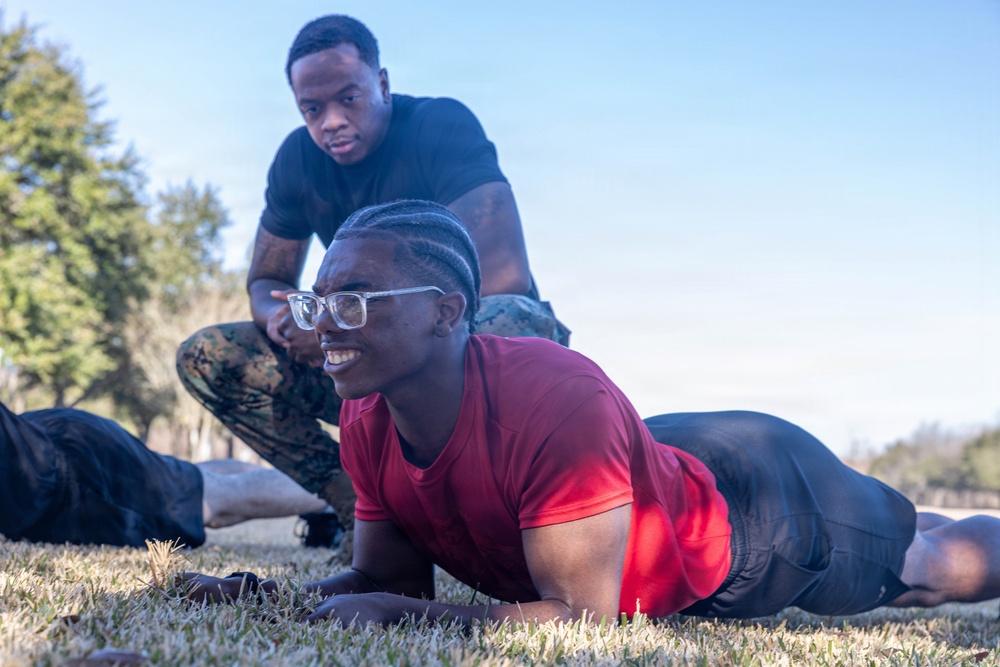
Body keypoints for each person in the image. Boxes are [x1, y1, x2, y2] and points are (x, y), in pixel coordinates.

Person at [181, 200, 1000, 626]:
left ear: (445, 310)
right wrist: (261, 594)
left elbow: (582, 623)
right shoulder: (368, 415)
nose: (324, 324)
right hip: (643, 466)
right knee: (913, 527)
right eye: (319, 300)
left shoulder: (552, 396)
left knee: (922, 564)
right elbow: (386, 580)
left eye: (353, 300)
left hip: (753, 513)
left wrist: (402, 618)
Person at [176, 15, 568, 536]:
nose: (330, 121)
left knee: (514, 316)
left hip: (474, 352)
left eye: (349, 99)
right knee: (209, 356)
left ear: (382, 83)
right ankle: (358, 503)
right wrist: (287, 321)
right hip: (363, 354)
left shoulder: (440, 127)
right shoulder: (296, 161)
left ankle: (516, 504)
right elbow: (266, 281)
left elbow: (503, 277)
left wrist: (345, 328)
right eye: (311, 109)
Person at [0, 401, 329, 548]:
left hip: (77, 477)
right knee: (203, 479)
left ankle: (340, 498)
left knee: (217, 501)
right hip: (46, 436)